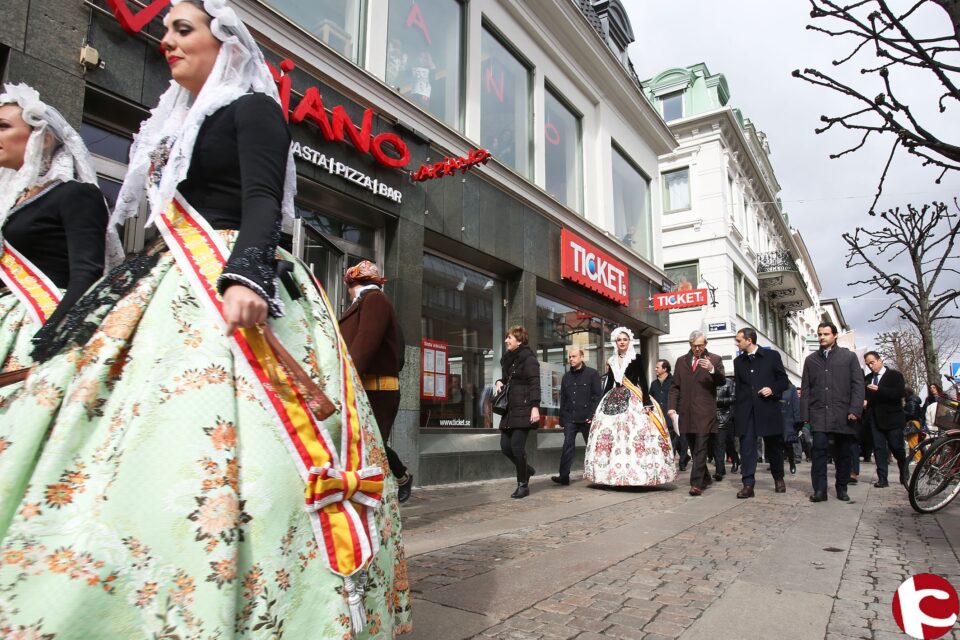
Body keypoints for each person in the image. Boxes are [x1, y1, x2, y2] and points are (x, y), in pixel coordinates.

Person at [0, 2, 411, 637]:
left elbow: (261, 199)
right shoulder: (174, 130)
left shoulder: (253, 109)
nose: (166, 39)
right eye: (163, 29)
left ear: (224, 44)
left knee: (248, 447)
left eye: (182, 28)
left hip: (231, 281)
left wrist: (248, 272)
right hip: (171, 285)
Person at [0, 83, 117, 380]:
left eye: (3, 126)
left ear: (44, 139)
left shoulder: (76, 194)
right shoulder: (11, 204)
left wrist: (55, 330)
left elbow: (87, 274)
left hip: (41, 316)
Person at [339, 260, 413, 503]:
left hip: (374, 390)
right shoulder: (367, 302)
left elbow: (365, 344)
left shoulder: (374, 300)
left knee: (372, 448)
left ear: (353, 283)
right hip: (363, 387)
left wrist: (346, 376)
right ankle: (389, 485)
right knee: (370, 446)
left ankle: (383, 495)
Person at [585, 327, 674, 486]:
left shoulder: (636, 357)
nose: (622, 342)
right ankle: (612, 474)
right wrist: (600, 405)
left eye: (625, 340)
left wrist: (646, 401)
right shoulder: (611, 360)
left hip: (633, 397)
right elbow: (609, 383)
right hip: (614, 397)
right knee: (612, 434)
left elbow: (643, 380)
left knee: (634, 433)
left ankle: (636, 473)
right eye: (619, 340)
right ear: (616, 342)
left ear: (629, 341)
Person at [801, 322, 865, 503]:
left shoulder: (848, 357)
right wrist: (805, 416)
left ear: (835, 335)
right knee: (819, 452)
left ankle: (841, 487)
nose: (822, 337)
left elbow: (858, 386)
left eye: (826, 334)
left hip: (843, 414)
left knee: (843, 454)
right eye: (819, 334)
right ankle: (819, 490)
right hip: (819, 414)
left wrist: (855, 409)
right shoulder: (811, 360)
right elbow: (806, 389)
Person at [732, 328, 790, 498]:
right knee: (747, 447)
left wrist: (772, 389)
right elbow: (739, 388)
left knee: (773, 446)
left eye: (739, 340)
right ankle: (748, 484)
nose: (737, 343)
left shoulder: (772, 356)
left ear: (749, 340)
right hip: (746, 411)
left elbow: (783, 381)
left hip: (768, 408)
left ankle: (779, 478)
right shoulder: (738, 362)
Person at [668, 330, 725, 496]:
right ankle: (705, 477)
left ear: (705, 344)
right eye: (695, 346)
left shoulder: (714, 359)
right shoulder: (681, 361)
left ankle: (696, 484)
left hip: (705, 412)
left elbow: (721, 381)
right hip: (686, 412)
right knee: (693, 447)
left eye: (701, 345)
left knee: (701, 447)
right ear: (690, 345)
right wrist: (672, 407)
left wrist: (713, 370)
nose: (698, 349)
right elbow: (675, 387)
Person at [495, 325, 540, 498]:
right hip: (510, 410)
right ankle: (526, 470)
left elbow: (535, 383)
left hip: (524, 409)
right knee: (505, 447)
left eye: (510, 338)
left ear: (519, 340)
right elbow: (507, 379)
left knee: (517, 447)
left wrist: (535, 406)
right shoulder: (509, 359)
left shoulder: (528, 359)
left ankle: (523, 485)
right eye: (506, 337)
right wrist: (499, 381)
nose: (506, 340)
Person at [552, 345, 602, 485]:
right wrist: (562, 419)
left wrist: (592, 415)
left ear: (581, 357)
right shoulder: (566, 377)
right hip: (570, 418)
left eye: (574, 356)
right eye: (569, 357)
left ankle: (599, 475)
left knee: (592, 446)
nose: (571, 359)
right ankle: (564, 476)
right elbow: (564, 399)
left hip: (587, 417)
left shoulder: (592, 374)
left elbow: (597, 396)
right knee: (567, 445)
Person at [862, 351, 909, 488]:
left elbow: (899, 393)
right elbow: (866, 396)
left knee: (896, 447)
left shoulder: (894, 375)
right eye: (868, 364)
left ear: (880, 360)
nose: (871, 366)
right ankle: (882, 478)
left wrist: (879, 390)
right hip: (875, 419)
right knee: (879, 449)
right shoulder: (868, 378)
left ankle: (904, 470)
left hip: (893, 418)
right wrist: (865, 402)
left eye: (872, 362)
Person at [649, 358, 679, 452]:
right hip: (658, 418)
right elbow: (651, 399)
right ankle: (684, 458)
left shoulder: (674, 382)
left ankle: (675, 463)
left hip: (671, 417)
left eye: (657, 367)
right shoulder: (654, 384)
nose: (655, 369)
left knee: (672, 444)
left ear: (665, 369)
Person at [714, 375, 738, 480]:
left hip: (725, 417)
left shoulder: (729, 383)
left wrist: (716, 400)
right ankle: (722, 467)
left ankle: (721, 470)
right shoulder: (706, 381)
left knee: (724, 443)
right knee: (716, 444)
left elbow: (733, 399)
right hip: (709, 416)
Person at [781, 382, 802, 475]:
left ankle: (792, 463)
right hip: (776, 418)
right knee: (776, 444)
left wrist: (798, 421)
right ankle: (778, 466)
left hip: (787, 419)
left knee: (788, 444)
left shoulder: (791, 388)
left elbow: (796, 405)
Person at [904, 387, 924, 461]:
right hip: (915, 423)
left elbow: (912, 414)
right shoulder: (914, 401)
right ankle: (913, 458)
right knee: (913, 442)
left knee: (913, 443)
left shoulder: (911, 402)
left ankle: (917, 459)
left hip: (912, 423)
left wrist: (902, 411)